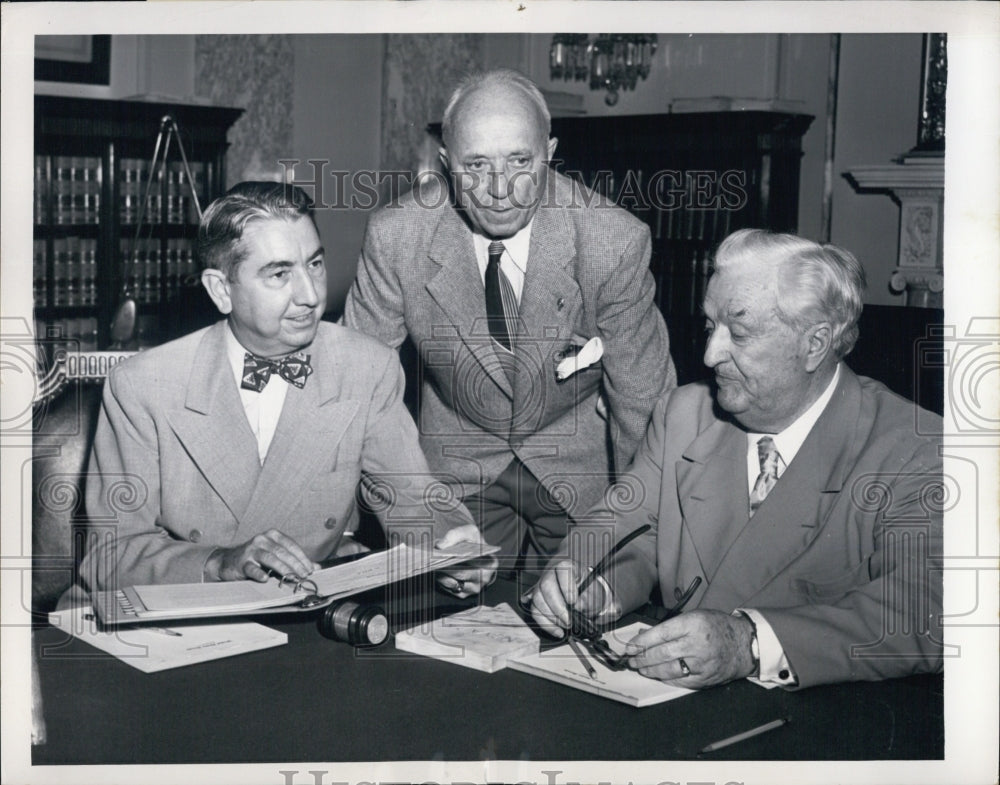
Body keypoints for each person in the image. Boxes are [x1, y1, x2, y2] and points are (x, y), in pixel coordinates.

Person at [529, 229, 944, 689]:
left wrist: (750, 644)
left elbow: (927, 609)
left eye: (739, 334)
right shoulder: (684, 413)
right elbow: (629, 530)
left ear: (815, 344)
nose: (709, 355)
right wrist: (589, 584)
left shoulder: (914, 448)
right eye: (710, 327)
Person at [79, 182, 493, 597]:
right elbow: (110, 557)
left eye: (314, 265)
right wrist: (219, 562)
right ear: (221, 289)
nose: (311, 296)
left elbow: (412, 499)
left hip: (301, 614)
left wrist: (451, 546)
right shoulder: (143, 385)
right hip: (173, 617)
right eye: (279, 274)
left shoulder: (367, 367)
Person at [342, 69, 675, 573]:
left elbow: (643, 405)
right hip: (453, 468)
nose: (500, 189)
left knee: (576, 620)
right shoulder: (397, 237)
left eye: (520, 160)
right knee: (442, 625)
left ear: (550, 152)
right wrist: (417, 520)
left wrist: (638, 546)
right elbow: (358, 397)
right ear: (445, 164)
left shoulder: (612, 239)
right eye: (476, 164)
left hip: (580, 469)